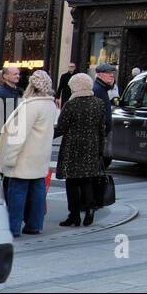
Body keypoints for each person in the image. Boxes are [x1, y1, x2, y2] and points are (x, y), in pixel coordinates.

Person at [0, 70, 57, 237]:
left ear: (32, 85)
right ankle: (34, 225)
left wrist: (9, 158)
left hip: (24, 157)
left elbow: (19, 135)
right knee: (37, 192)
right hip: (40, 155)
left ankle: (13, 228)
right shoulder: (50, 105)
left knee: (17, 193)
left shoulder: (30, 106)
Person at [54, 73, 106, 227]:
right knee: (86, 180)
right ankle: (90, 208)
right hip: (91, 146)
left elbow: (61, 127)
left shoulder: (72, 104)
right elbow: (101, 129)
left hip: (73, 147)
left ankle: (74, 215)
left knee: (72, 182)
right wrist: (100, 149)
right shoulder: (99, 103)